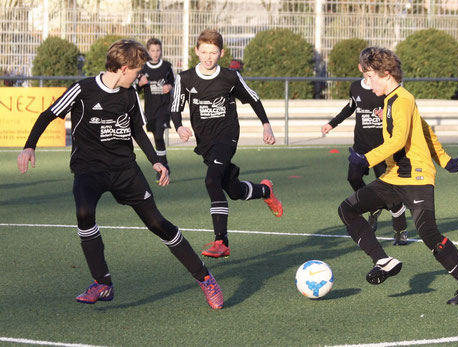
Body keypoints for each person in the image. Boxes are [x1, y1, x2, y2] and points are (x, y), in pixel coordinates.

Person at [16, 39, 223, 310]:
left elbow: (137, 129)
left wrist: (156, 161)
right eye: (137, 72)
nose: (140, 77)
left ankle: (205, 277)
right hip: (88, 169)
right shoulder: (83, 89)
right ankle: (102, 283)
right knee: (84, 214)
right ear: (124, 69)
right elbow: (48, 114)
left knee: (157, 223)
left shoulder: (129, 95)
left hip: (125, 170)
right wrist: (29, 146)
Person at [338, 46, 458, 305]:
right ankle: (382, 260)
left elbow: (398, 140)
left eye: (370, 76)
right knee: (348, 209)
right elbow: (426, 130)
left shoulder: (402, 99)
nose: (367, 82)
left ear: (385, 73)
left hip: (416, 177)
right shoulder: (392, 100)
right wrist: (445, 159)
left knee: (429, 234)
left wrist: (366, 159)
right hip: (395, 177)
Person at [170, 29, 283, 258]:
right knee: (232, 189)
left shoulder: (230, 77)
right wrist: (179, 127)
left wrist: (266, 124)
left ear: (221, 52)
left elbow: (253, 98)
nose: (208, 57)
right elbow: (174, 109)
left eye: (213, 52)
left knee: (212, 180)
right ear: (196, 51)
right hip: (205, 142)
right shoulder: (185, 78)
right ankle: (265, 190)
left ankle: (221, 241)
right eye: (204, 52)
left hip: (227, 135)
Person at [322, 65, 408, 245]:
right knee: (353, 178)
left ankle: (400, 230)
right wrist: (332, 124)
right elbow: (350, 107)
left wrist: (386, 116)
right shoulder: (355, 87)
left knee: (390, 191)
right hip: (360, 147)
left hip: (382, 149)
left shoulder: (387, 89)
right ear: (361, 67)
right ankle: (374, 206)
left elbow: (399, 114)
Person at [137, 38, 175, 181]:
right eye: (152, 50)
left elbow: (173, 81)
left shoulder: (166, 66)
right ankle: (164, 165)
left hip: (164, 108)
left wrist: (169, 87)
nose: (155, 53)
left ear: (161, 50)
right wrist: (140, 83)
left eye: (158, 50)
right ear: (148, 51)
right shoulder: (143, 68)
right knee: (156, 137)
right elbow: (135, 88)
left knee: (159, 135)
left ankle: (162, 167)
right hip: (150, 109)